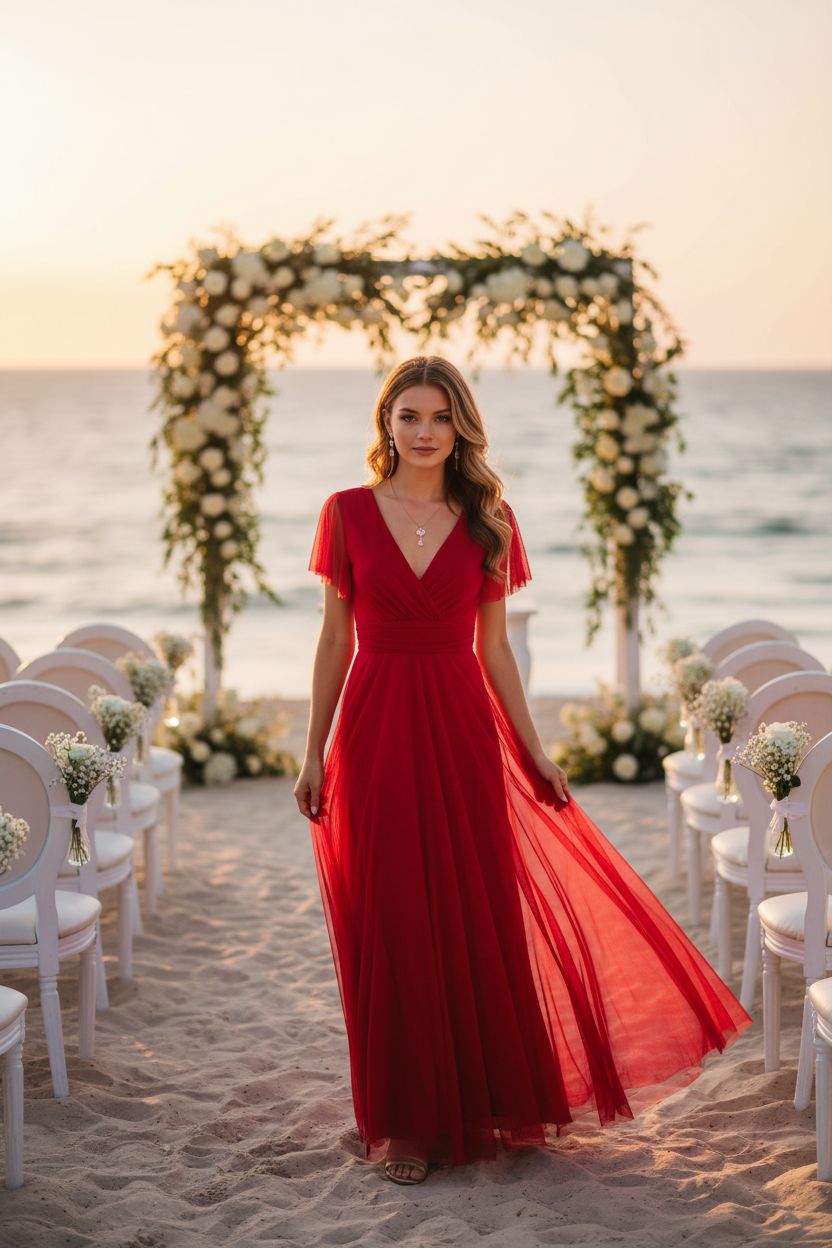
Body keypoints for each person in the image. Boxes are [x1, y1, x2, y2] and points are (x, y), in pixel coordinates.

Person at [294, 355, 752, 1186]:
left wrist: (534, 748)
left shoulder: (490, 518)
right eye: (409, 416)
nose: (425, 431)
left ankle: (486, 1103)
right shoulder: (347, 513)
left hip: (463, 721)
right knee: (393, 911)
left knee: (475, 903)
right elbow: (334, 641)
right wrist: (312, 747)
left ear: (461, 425)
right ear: (385, 424)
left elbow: (494, 649)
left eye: (439, 417)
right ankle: (403, 1124)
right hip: (373, 723)